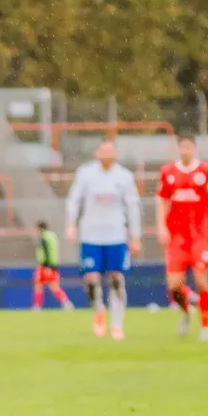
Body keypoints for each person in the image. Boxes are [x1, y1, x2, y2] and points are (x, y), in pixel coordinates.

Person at [157, 135, 208, 340]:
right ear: (178, 149)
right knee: (174, 286)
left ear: (195, 149)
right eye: (182, 147)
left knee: (201, 282)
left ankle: (206, 327)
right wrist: (161, 227)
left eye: (189, 147)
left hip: (200, 236)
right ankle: (186, 311)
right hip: (177, 238)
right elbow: (162, 201)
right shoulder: (168, 172)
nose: (185, 151)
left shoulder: (206, 172)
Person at [64, 137, 140, 340]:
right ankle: (98, 311)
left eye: (110, 151)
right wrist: (71, 224)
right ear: (96, 154)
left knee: (115, 278)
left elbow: (132, 206)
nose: (106, 155)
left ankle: (117, 324)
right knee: (91, 278)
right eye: (103, 151)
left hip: (116, 235)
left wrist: (135, 236)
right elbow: (74, 199)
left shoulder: (124, 176)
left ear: (115, 154)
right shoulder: (86, 173)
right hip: (91, 234)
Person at [31, 220, 72, 310]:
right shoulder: (53, 236)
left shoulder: (44, 237)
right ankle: (66, 302)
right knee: (49, 285)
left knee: (43, 285)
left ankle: (37, 306)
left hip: (46, 265)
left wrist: (47, 266)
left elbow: (46, 252)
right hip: (53, 264)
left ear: (39, 228)